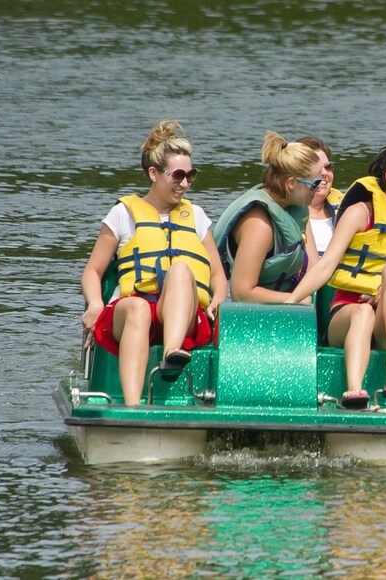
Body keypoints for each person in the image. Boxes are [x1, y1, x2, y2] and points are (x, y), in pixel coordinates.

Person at [286, 142, 386, 408]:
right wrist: (291, 302)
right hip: (348, 312)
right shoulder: (359, 214)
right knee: (363, 313)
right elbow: (325, 266)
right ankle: (355, 391)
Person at [81, 120, 227, 405]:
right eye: (177, 175)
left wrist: (217, 300)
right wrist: (95, 304)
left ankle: (172, 352)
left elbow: (218, 275)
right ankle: (132, 408)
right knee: (137, 307)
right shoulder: (123, 214)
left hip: (182, 315)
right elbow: (93, 271)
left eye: (190, 175)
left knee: (182, 269)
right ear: (153, 173)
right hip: (134, 311)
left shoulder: (196, 216)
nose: (184, 183)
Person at [213, 132, 326, 303]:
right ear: (291, 184)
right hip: (258, 318)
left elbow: (313, 269)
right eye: (315, 184)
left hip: (292, 305)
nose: (318, 189)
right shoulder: (260, 225)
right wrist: (295, 299)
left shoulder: (297, 210)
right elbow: (241, 293)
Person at [296, 136, 344, 256]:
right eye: (315, 168)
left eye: (328, 167)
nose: (323, 173)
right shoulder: (282, 212)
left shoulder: (348, 209)